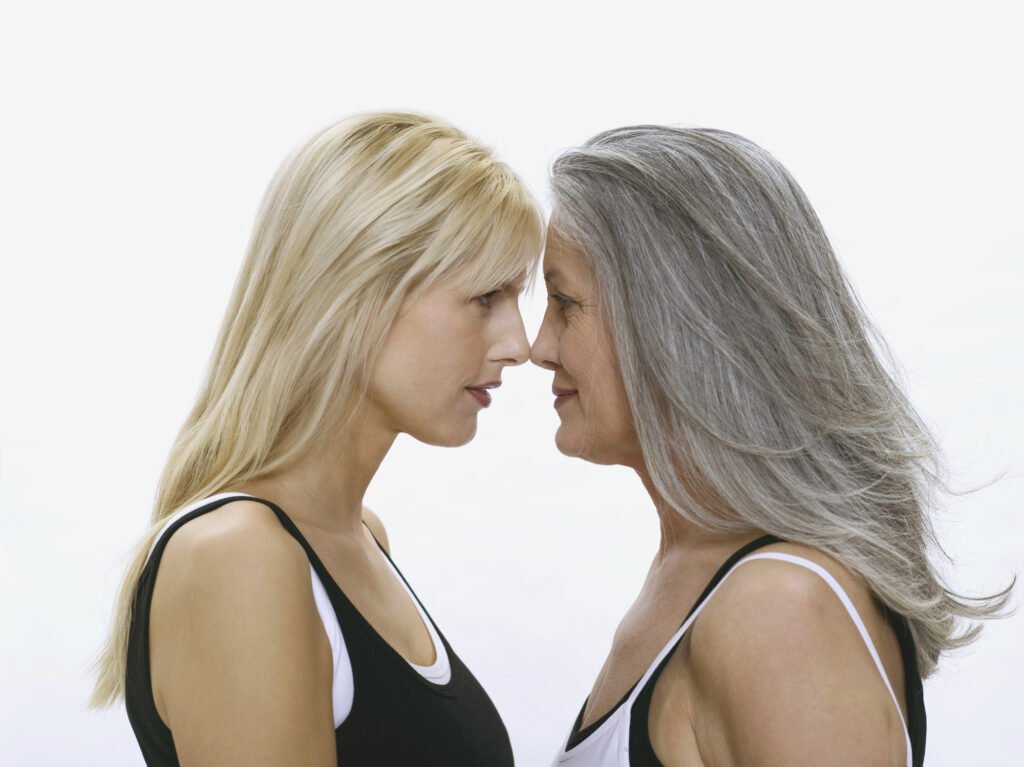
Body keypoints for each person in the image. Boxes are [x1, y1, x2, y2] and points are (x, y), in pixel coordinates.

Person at [531, 125, 1011, 767]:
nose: (537, 347)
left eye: (565, 303)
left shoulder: (777, 610)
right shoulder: (699, 569)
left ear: (674, 323)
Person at [90, 112, 543, 766]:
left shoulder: (363, 539)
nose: (519, 344)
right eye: (485, 297)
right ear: (360, 292)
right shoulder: (240, 556)